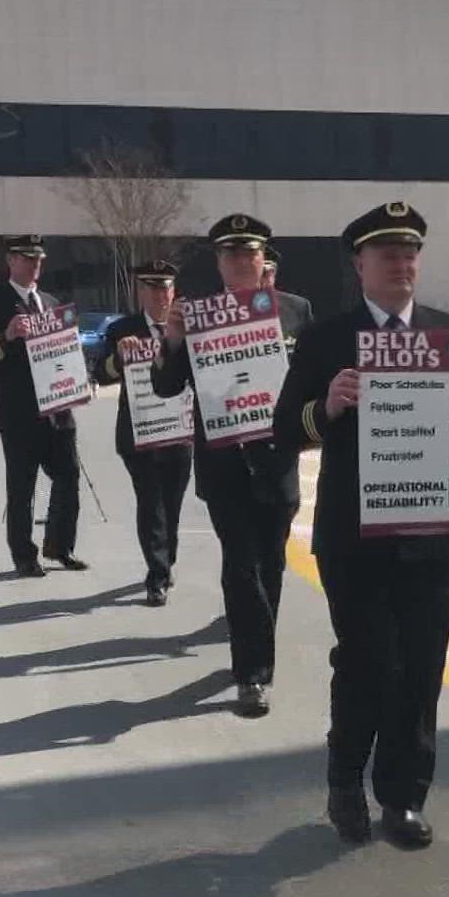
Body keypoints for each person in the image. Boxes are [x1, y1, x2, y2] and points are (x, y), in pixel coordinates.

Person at [274, 201, 449, 849]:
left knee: (421, 669)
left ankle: (402, 798)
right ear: (360, 263)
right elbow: (285, 428)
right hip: (355, 540)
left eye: (410, 253)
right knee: (368, 664)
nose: (401, 263)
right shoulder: (326, 339)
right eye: (387, 253)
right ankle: (345, 777)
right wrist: (328, 405)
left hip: (433, 540)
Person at [152, 213, 314, 718]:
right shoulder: (196, 314)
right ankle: (253, 673)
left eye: (250, 253)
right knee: (240, 566)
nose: (242, 261)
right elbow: (165, 386)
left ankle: (254, 645)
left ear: (264, 260)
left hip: (276, 461)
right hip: (223, 465)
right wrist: (174, 341)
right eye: (231, 254)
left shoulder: (295, 310)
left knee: (272, 564)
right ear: (220, 263)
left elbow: (311, 379)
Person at [0, 234, 86, 578]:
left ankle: (60, 545)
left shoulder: (49, 302)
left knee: (68, 477)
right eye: (26, 258)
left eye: (39, 259)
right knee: (22, 488)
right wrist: (5, 337)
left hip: (58, 410)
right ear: (11, 261)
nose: (34, 264)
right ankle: (23, 555)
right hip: (19, 413)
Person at [93, 259, 194, 607]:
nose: (160, 295)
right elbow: (101, 374)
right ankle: (157, 574)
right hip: (139, 433)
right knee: (151, 503)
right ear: (140, 291)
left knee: (172, 504)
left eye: (165, 287)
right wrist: (118, 359)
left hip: (180, 431)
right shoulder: (123, 328)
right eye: (152, 287)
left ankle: (167, 560)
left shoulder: (188, 326)